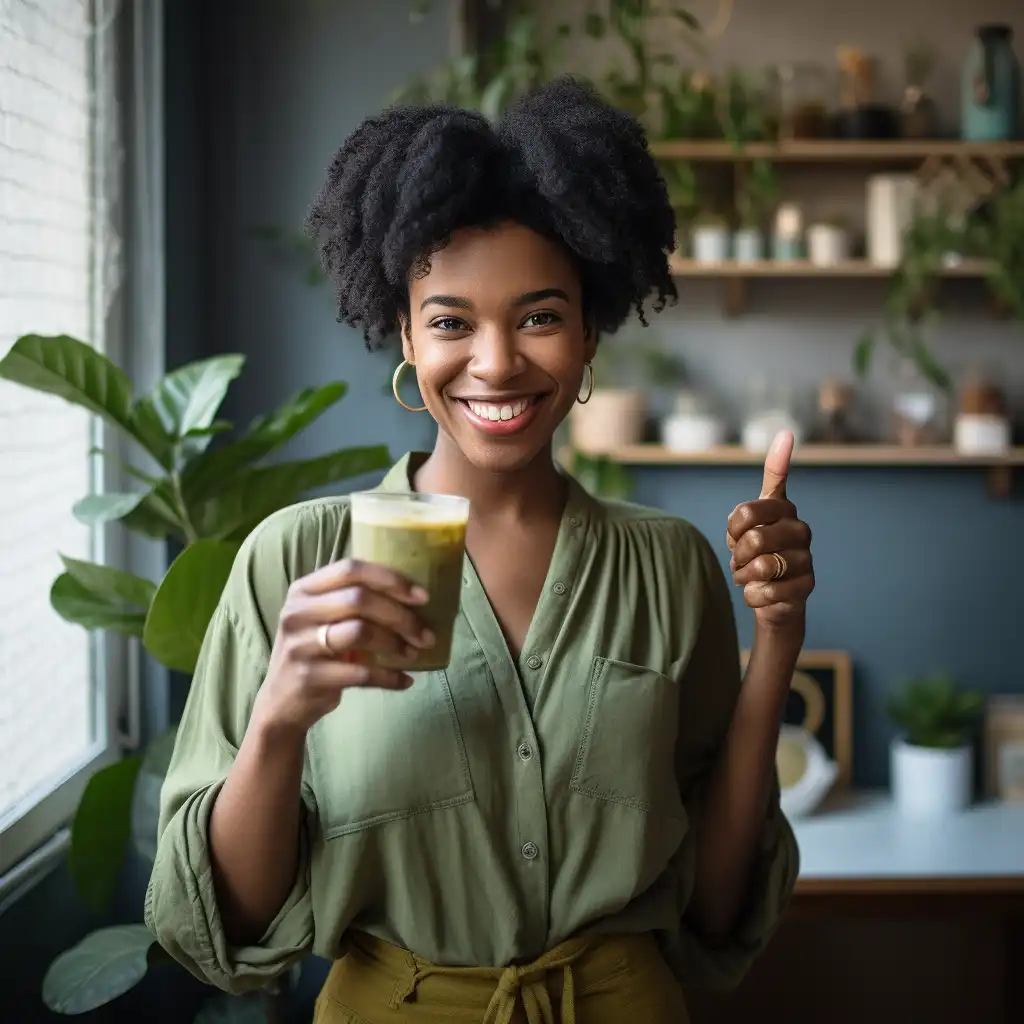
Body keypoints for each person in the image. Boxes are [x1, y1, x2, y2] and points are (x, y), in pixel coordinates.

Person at [146, 77, 814, 1023]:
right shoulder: (292, 562)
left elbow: (711, 904)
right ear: (407, 339)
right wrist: (280, 720)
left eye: (539, 316)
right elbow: (233, 923)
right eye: (452, 321)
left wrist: (777, 640)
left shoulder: (667, 564)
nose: (496, 362)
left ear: (589, 335)